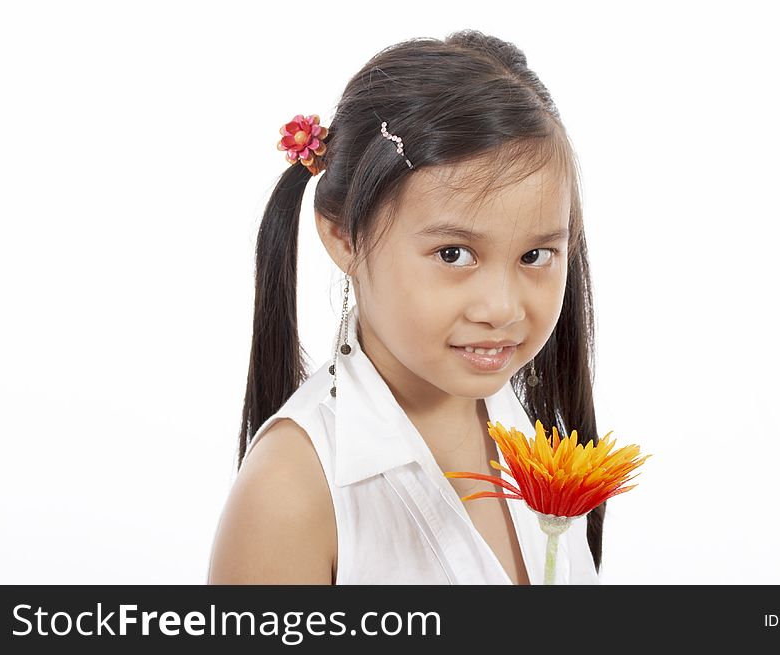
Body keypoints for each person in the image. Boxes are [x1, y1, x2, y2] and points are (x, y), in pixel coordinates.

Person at [207, 29, 605, 585]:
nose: (501, 308)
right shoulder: (292, 493)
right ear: (344, 237)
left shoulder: (526, 430)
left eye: (536, 254)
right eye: (453, 253)